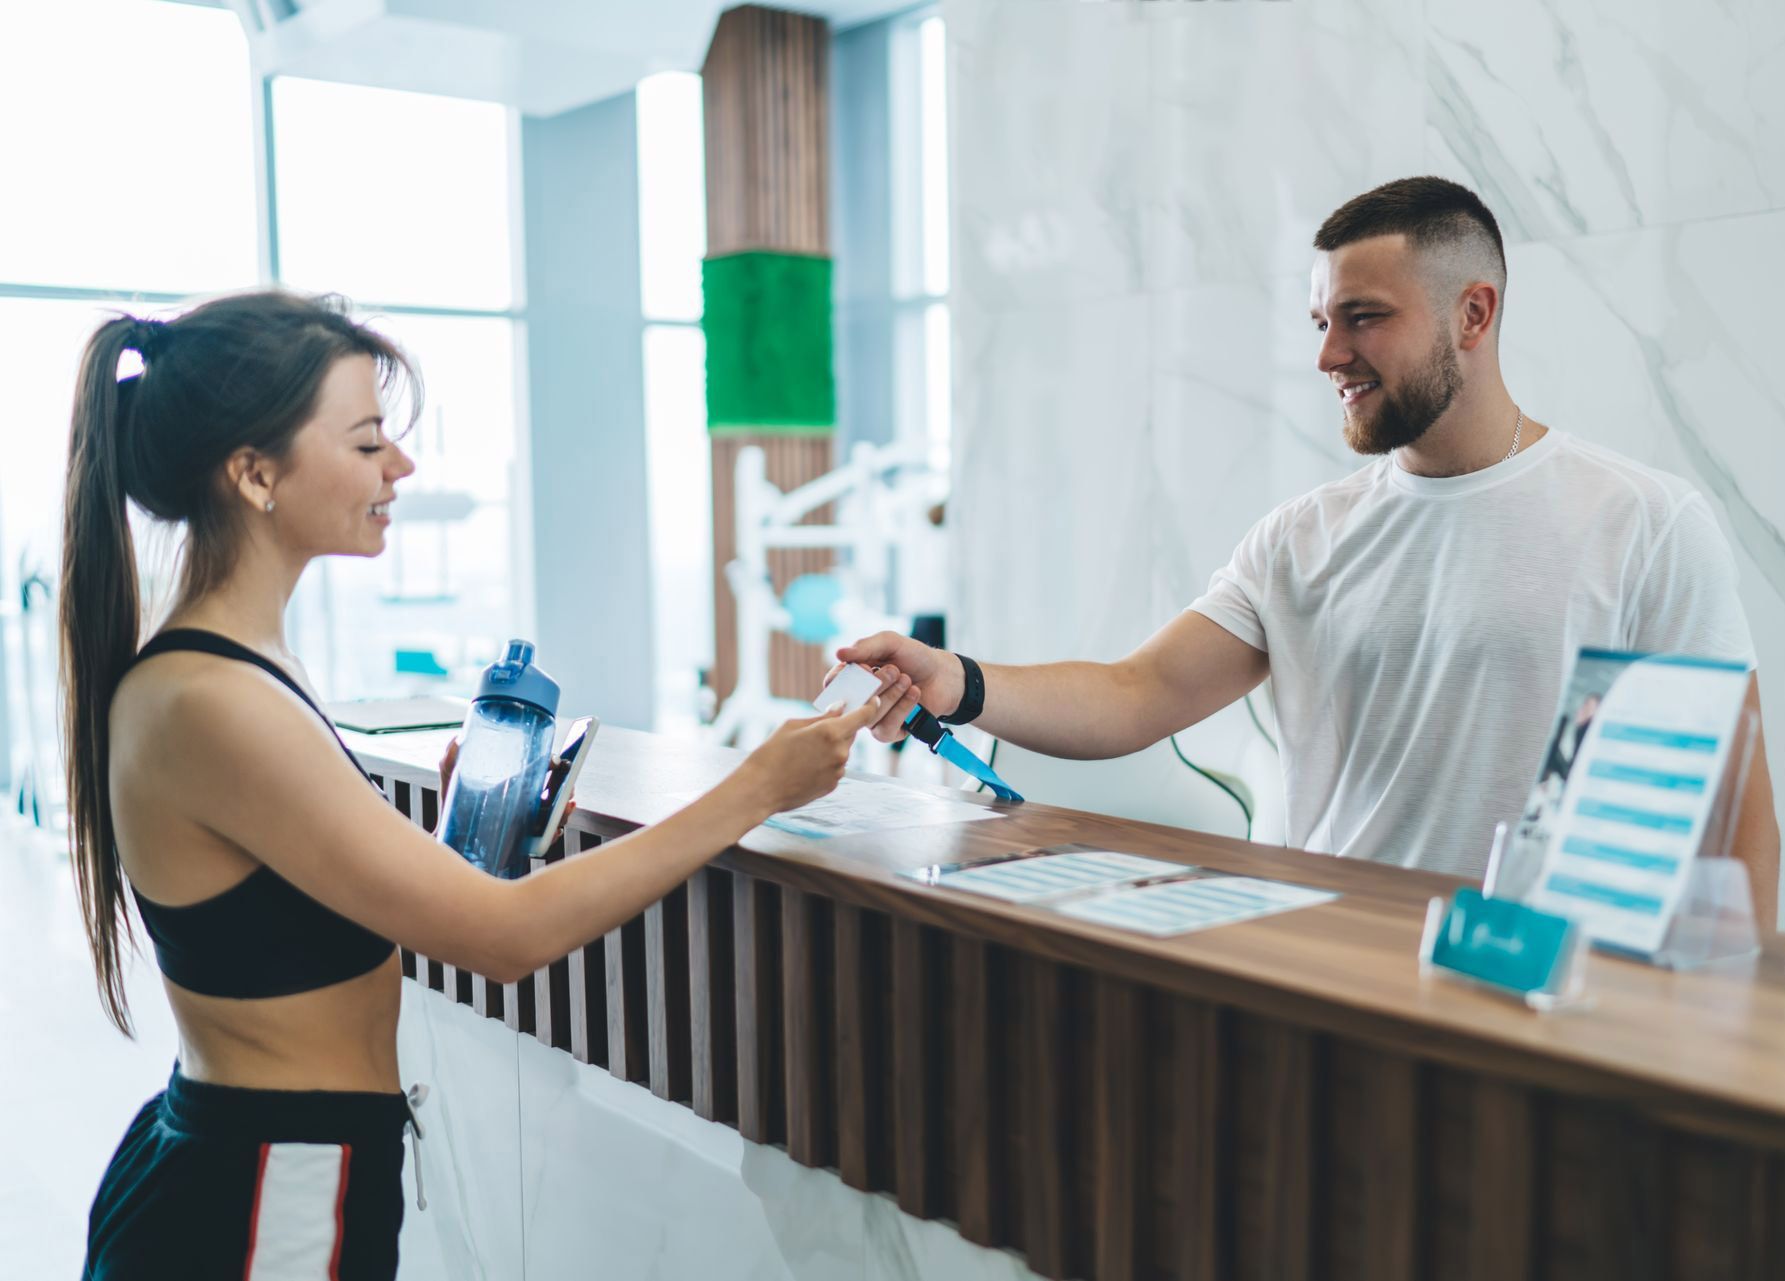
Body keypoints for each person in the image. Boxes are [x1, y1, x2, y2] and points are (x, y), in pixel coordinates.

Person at [66, 291, 889, 1278]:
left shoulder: (236, 669)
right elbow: (505, 940)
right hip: (264, 1188)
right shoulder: (212, 699)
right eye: (368, 443)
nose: (400, 468)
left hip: (270, 1163)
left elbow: (296, 918)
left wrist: (464, 844)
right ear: (255, 473)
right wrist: (756, 787)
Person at [836, 176, 1779, 918]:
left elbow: (1733, 816)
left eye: (1363, 317)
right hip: (1327, 972)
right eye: (1322, 322)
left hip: (1535, 1005)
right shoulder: (1299, 537)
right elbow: (1138, 692)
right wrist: (953, 680)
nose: (1329, 354)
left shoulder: (1644, 523)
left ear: (1474, 314)